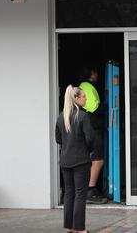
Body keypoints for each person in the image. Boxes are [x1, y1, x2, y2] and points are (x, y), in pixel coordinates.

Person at [56, 85, 94, 233]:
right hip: (80, 160)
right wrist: (89, 150)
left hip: (65, 160)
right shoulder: (83, 116)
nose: (85, 99)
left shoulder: (61, 117)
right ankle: (80, 229)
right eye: (83, 96)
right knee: (80, 193)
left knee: (69, 193)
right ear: (76, 98)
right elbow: (90, 138)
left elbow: (58, 139)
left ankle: (70, 226)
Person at [78, 67, 107, 204]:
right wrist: (108, 106)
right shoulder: (87, 86)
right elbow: (94, 107)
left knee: (92, 160)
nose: (97, 74)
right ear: (91, 73)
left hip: (90, 128)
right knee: (98, 160)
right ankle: (90, 190)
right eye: (95, 72)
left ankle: (88, 189)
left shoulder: (84, 86)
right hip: (93, 128)